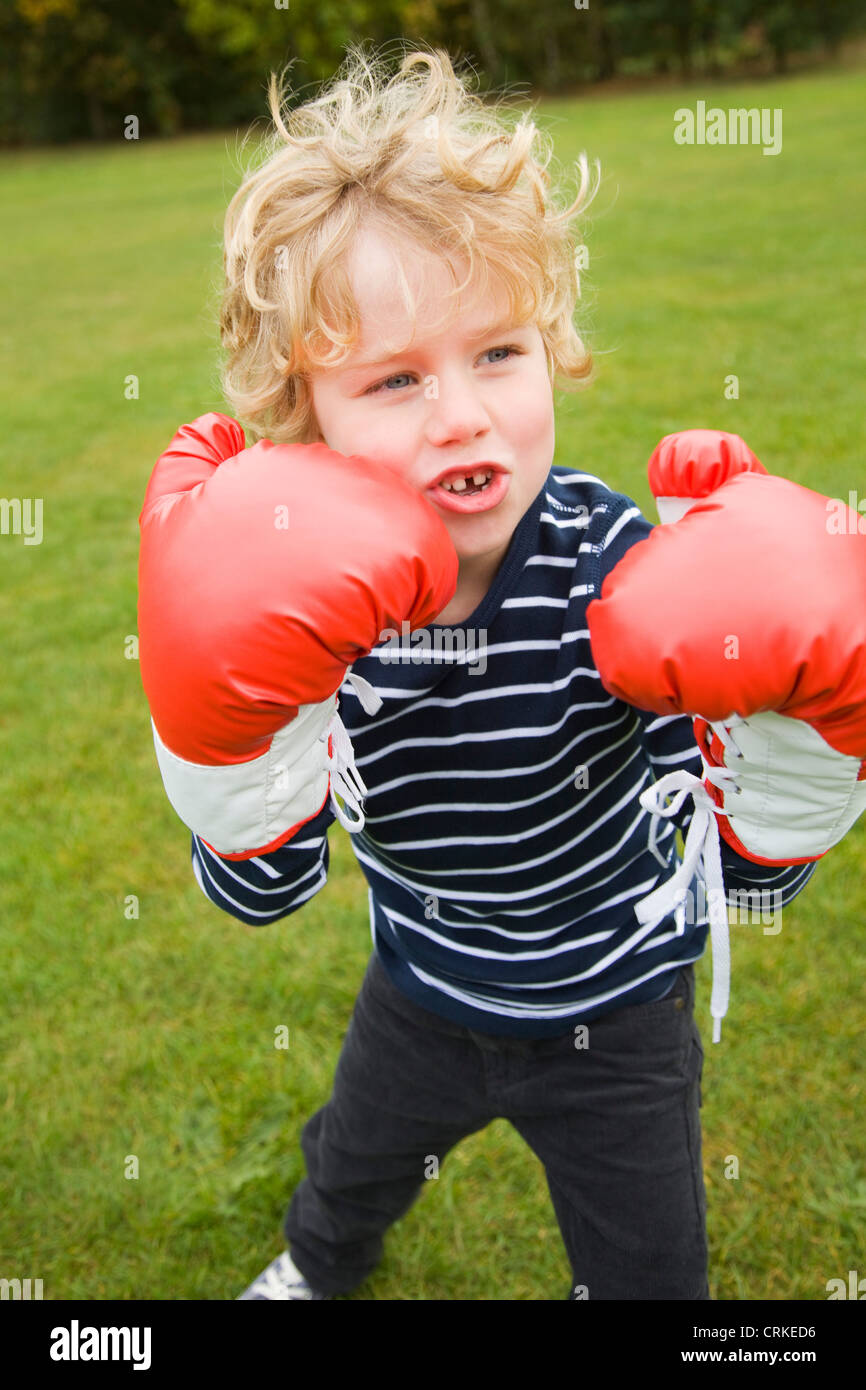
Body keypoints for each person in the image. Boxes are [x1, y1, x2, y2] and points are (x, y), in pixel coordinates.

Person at [170, 43, 817, 1300]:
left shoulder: (609, 562)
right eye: (396, 377)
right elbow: (259, 890)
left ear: (552, 346)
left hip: (614, 1007)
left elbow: (727, 845)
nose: (460, 413)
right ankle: (314, 1265)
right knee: (349, 1171)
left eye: (498, 354)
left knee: (651, 1272)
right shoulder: (303, 612)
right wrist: (228, 770)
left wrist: (780, 733)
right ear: (307, 415)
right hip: (420, 984)